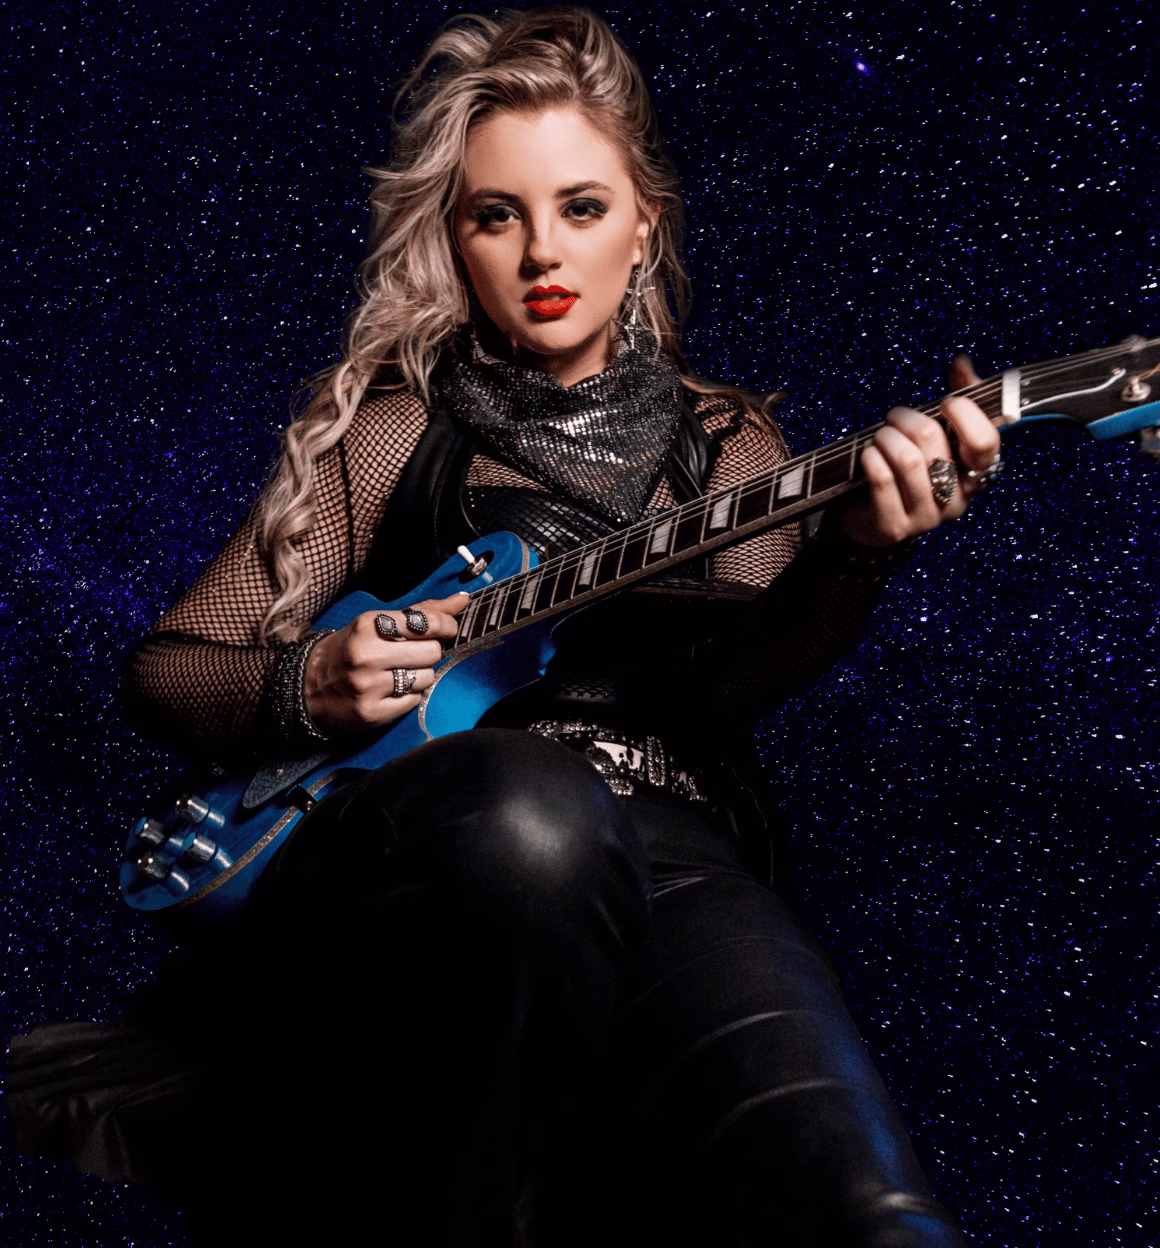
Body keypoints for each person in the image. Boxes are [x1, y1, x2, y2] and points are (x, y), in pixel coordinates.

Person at [7, 8, 1001, 1245]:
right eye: (495, 215)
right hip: (429, 836)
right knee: (532, 813)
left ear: (642, 226)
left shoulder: (730, 446)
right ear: (455, 239)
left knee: (865, 1208)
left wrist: (856, 550)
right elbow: (164, 672)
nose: (542, 251)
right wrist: (308, 682)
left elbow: (727, 691)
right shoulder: (391, 433)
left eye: (580, 207)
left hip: (666, 842)